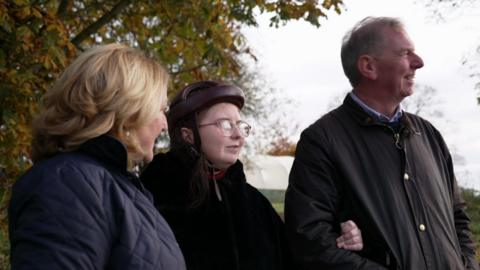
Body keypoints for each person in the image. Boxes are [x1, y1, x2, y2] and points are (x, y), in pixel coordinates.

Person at [285, 16, 479, 270]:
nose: (419, 63)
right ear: (368, 67)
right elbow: (310, 240)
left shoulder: (429, 135)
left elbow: (458, 220)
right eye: (405, 54)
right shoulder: (322, 141)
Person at [140, 81, 363, 270]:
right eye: (225, 124)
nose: (239, 135)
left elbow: (294, 260)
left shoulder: (254, 203)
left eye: (240, 125)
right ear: (187, 134)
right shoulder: (152, 195)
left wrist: (337, 238)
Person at [8, 44, 186, 269]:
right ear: (129, 107)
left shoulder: (116, 188)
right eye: (161, 110)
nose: (164, 124)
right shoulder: (70, 184)